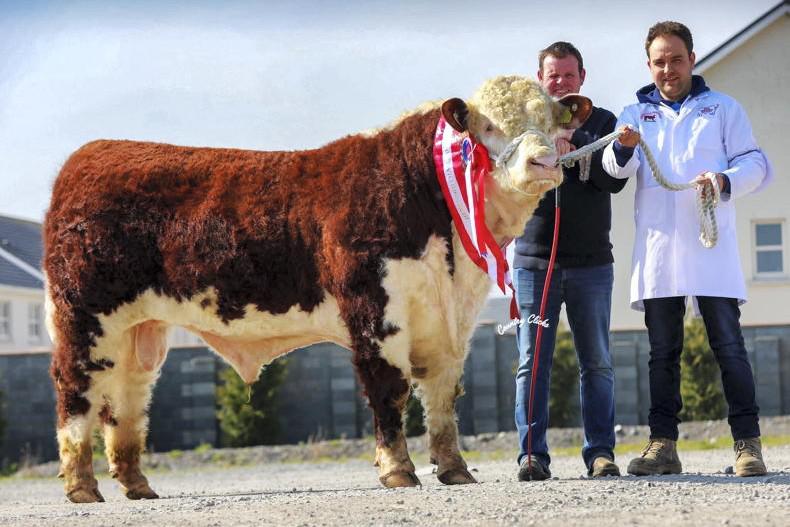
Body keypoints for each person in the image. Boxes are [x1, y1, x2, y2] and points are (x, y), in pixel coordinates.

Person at [603, 21, 773, 477]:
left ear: (692, 59)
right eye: (659, 61)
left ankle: (747, 445)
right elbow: (614, 171)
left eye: (676, 59)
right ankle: (663, 445)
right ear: (648, 65)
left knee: (729, 346)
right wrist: (621, 150)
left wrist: (723, 180)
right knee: (662, 352)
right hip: (660, 250)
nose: (668, 69)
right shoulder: (634, 115)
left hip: (709, 245)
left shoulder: (722, 109)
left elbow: (755, 162)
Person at [513, 41, 626, 481]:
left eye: (568, 75)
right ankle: (531, 454)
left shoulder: (604, 122)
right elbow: (506, 179)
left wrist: (577, 141)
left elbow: (611, 182)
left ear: (583, 77)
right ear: (540, 78)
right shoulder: (521, 122)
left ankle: (599, 452)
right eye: (553, 75)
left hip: (592, 264)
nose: (561, 82)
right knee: (532, 360)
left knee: (596, 360)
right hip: (534, 263)